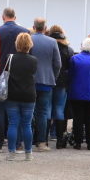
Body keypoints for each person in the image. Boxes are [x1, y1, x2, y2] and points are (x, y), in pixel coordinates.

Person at [0, 8, 29, 152]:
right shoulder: (24, 31)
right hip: (19, 76)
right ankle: (18, 143)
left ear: (3, 17)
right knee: (17, 112)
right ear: (15, 17)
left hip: (1, 76)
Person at [3, 32, 38, 161]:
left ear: (17, 44)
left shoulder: (10, 58)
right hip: (29, 95)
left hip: (12, 94)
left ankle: (11, 153)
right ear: (30, 45)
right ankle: (28, 153)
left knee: (13, 123)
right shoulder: (34, 60)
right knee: (27, 124)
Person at [29, 17, 61, 152]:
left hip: (30, 82)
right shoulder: (52, 42)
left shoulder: (29, 40)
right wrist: (53, 77)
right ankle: (42, 142)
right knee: (42, 112)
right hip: (46, 82)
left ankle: (27, 141)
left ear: (34, 27)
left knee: (29, 111)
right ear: (45, 28)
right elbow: (57, 64)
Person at [48, 25, 74, 149]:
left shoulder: (48, 46)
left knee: (47, 108)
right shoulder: (68, 49)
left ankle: (43, 139)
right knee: (59, 109)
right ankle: (58, 139)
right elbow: (69, 67)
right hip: (62, 82)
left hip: (48, 80)